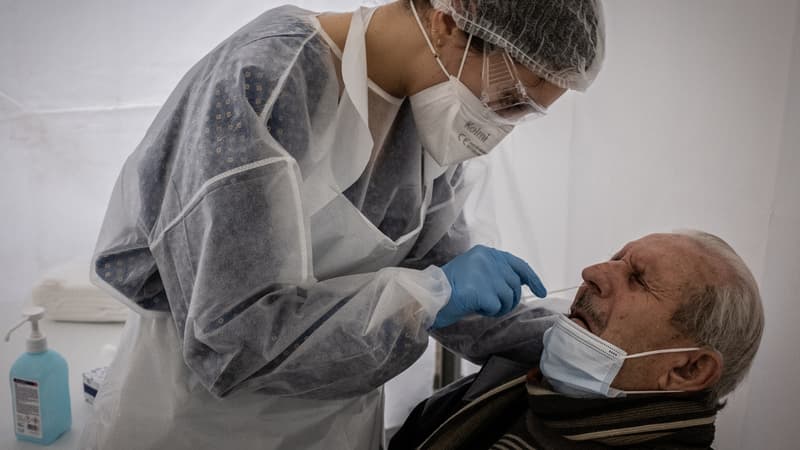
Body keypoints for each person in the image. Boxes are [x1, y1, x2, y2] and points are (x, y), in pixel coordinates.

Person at [79, 1, 605, 449]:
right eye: (509, 98)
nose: (501, 124)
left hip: (337, 427)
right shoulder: (267, 78)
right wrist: (429, 294)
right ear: (449, 21)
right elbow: (234, 339)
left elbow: (443, 289)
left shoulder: (427, 118)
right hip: (198, 423)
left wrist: (585, 351)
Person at [389, 230, 765, 449]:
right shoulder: (526, 388)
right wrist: (428, 295)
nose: (592, 272)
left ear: (687, 368)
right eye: (613, 259)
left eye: (637, 279)